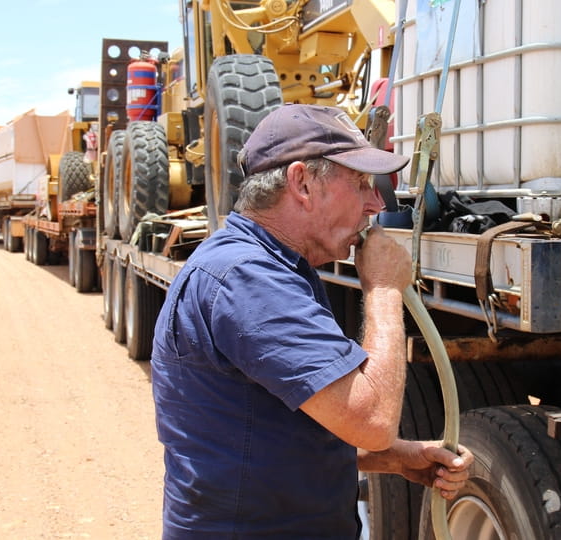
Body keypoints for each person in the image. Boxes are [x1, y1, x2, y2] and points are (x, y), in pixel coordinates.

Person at [151, 104, 473, 539]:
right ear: (302, 183)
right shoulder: (248, 280)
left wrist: (395, 458)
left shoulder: (264, 267)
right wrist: (383, 288)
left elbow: (269, 433)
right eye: (361, 183)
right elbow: (373, 422)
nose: (376, 203)